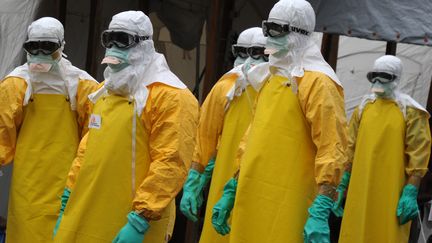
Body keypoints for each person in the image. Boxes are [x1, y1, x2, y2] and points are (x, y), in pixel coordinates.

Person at [52, 11, 198, 243]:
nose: (113, 48)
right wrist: (67, 197)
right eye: (109, 39)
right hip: (86, 211)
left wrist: (140, 219)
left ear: (145, 45)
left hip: (132, 220)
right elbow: (86, 152)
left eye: (122, 39)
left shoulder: (171, 97)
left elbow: (170, 162)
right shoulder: (104, 92)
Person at [211, 0, 348, 242]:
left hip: (290, 200)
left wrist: (323, 204)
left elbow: (333, 147)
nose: (269, 38)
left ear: (298, 34)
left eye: (277, 30)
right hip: (252, 194)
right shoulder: (270, 78)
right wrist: (232, 187)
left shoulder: (319, 83)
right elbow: (252, 137)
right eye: (267, 29)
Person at [0, 17, 98, 243]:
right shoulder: (16, 83)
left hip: (68, 181)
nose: (40, 53)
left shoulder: (82, 85)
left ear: (61, 46)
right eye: (34, 47)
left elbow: (94, 135)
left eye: (48, 47)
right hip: (28, 184)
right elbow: (2, 127)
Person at [179, 27, 268, 243]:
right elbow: (205, 137)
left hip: (264, 181)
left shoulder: (276, 89)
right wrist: (195, 178)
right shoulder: (225, 88)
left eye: (255, 53)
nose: (246, 61)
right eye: (241, 52)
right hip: (224, 179)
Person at [336, 55, 431, 243]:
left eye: (384, 76)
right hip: (359, 189)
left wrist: (411, 190)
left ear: (396, 78)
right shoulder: (363, 108)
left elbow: (419, 154)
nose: (378, 81)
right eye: (374, 76)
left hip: (391, 191)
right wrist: (343, 183)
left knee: (385, 234)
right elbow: (350, 147)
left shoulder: (410, 111)